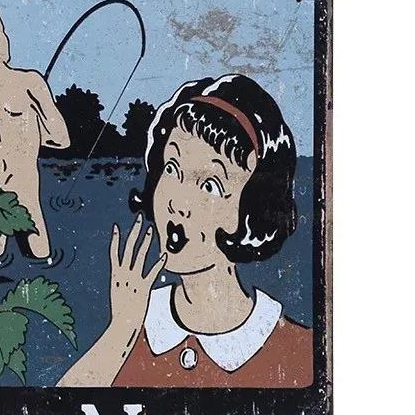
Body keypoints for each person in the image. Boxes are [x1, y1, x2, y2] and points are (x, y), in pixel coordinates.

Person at [58, 74, 312, 388]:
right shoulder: (132, 320)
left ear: (253, 209)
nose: (178, 202)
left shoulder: (297, 352)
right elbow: (60, 411)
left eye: (210, 185)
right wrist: (121, 330)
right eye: (172, 168)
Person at [0, 6, 70, 259]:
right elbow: (61, 138)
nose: (7, 38)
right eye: (3, 32)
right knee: (41, 258)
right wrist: (30, 132)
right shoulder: (31, 83)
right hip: (25, 196)